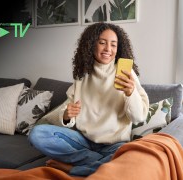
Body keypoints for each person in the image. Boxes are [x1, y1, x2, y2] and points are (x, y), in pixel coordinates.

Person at [28, 22, 149, 177]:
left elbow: (138, 117)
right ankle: (102, 163)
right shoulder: (82, 75)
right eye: (102, 43)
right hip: (83, 141)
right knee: (37, 134)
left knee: (131, 156)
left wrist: (131, 94)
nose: (108, 49)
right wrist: (66, 116)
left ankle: (72, 168)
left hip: (115, 145)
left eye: (113, 45)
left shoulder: (126, 73)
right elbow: (70, 110)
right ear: (92, 44)